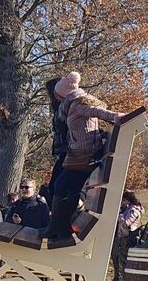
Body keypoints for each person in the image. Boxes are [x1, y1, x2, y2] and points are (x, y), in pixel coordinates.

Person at [44, 72, 123, 249]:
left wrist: (115, 116)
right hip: (79, 153)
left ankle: (58, 228)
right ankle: (58, 228)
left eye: (56, 92)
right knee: (61, 187)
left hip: (84, 154)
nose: (54, 96)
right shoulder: (69, 105)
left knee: (61, 186)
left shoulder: (78, 103)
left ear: (62, 92)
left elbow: (96, 110)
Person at [44, 76, 69, 204]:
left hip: (68, 151)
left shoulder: (65, 107)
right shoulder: (57, 109)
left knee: (57, 186)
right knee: (53, 187)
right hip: (62, 151)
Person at [112, 190, 144, 281]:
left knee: (124, 259)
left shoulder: (133, 210)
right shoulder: (127, 209)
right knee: (118, 258)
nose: (121, 202)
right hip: (122, 237)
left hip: (128, 237)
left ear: (127, 200)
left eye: (123, 200)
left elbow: (126, 224)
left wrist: (120, 216)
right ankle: (118, 279)